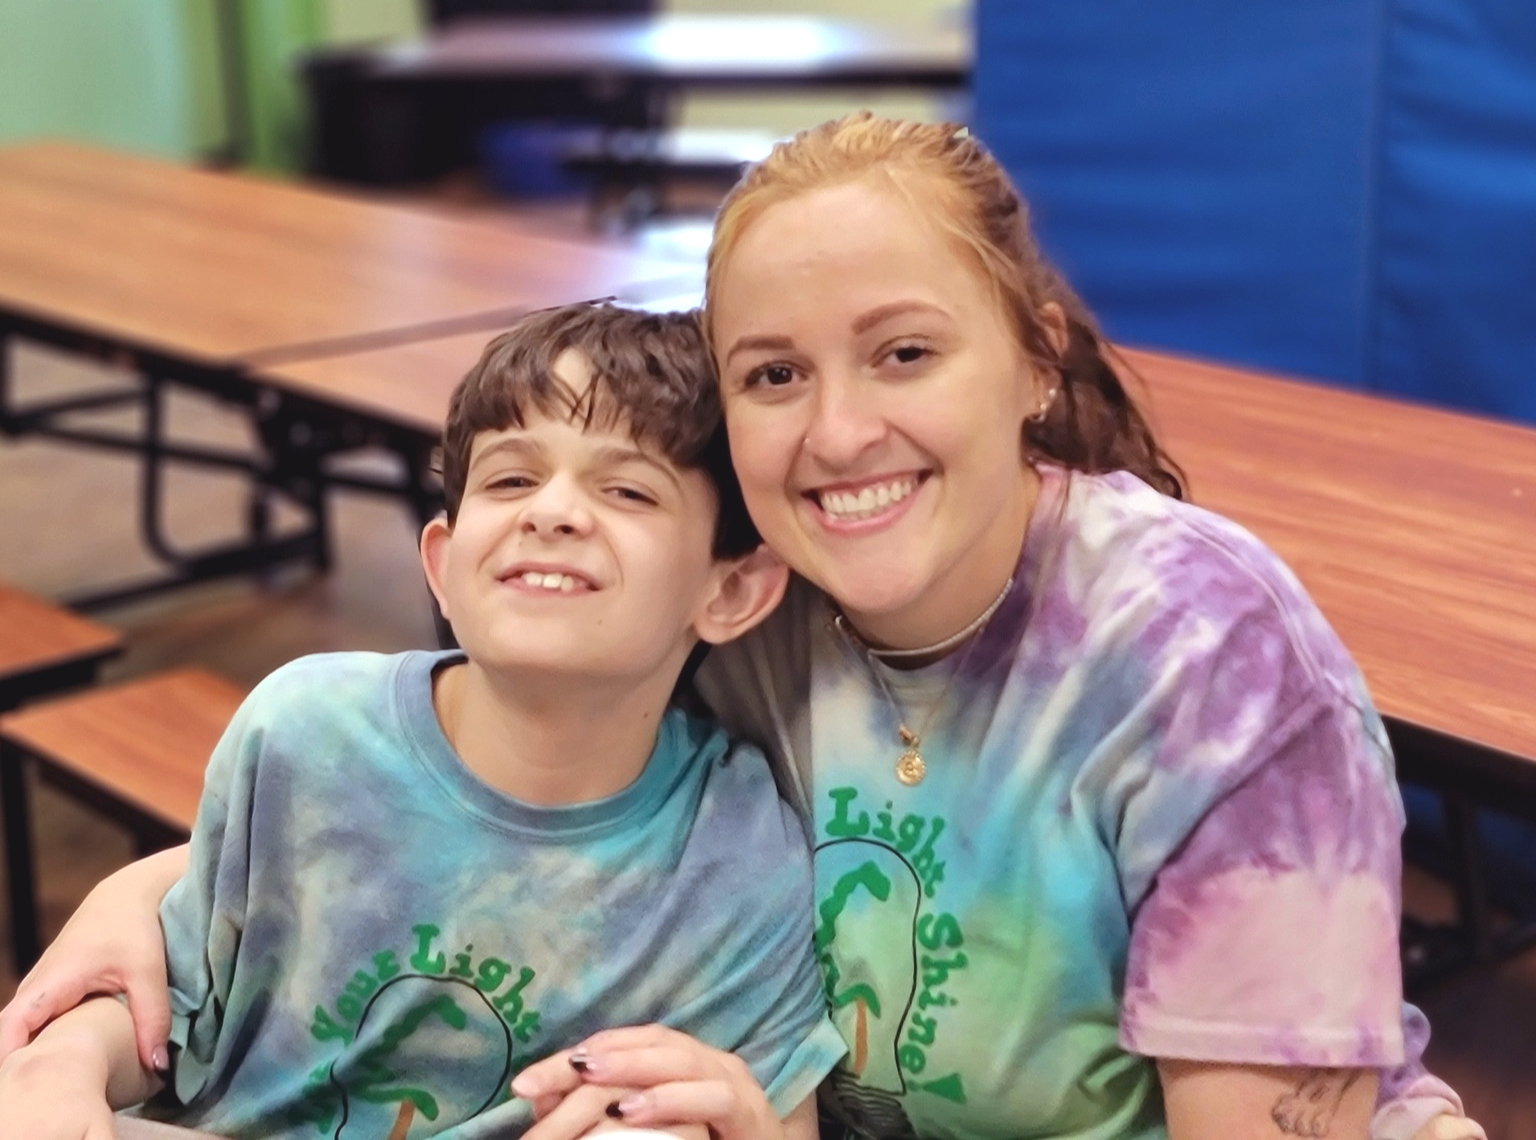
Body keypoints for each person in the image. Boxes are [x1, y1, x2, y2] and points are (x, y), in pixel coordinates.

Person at [0, 117, 1482, 1140]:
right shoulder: (765, 598)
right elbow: (455, 791)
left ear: (1031, 362)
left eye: (903, 353)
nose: (838, 434)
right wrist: (147, 905)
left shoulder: (1210, 664)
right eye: (772, 376)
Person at [0, 303, 845, 1140]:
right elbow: (164, 1008)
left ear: (730, 590)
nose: (550, 512)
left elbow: (766, 1116)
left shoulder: (735, 849)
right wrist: (68, 1059)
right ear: (442, 564)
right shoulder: (305, 730)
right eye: (511, 478)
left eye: (625, 489)